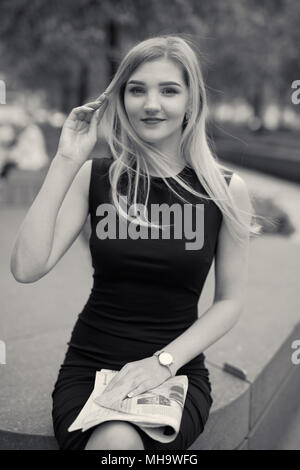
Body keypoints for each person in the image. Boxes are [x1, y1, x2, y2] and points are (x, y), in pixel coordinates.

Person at [10, 34, 259, 450]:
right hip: (90, 365)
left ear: (191, 102)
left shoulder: (224, 190)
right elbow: (26, 268)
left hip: (174, 369)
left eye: (169, 90)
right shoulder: (95, 177)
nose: (151, 104)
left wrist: (162, 363)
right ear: (121, 99)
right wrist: (66, 159)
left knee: (119, 443)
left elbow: (229, 302)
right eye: (136, 89)